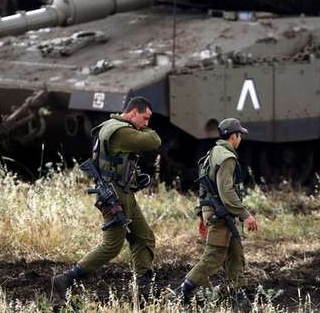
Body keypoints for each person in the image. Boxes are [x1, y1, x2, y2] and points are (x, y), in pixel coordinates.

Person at [52, 96, 162, 302]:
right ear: (133, 113)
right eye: (145, 118)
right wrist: (146, 131)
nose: (146, 124)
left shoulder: (112, 126)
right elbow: (154, 141)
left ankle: (144, 286)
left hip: (123, 192)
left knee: (144, 237)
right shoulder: (121, 132)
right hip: (115, 196)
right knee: (112, 245)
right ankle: (67, 279)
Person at [175, 118, 259, 306]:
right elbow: (226, 191)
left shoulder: (212, 153)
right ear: (233, 136)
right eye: (239, 135)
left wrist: (201, 212)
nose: (240, 139)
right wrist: (245, 215)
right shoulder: (227, 157)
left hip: (213, 211)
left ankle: (239, 297)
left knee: (235, 253)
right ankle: (184, 291)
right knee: (214, 256)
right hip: (220, 214)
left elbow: (204, 186)